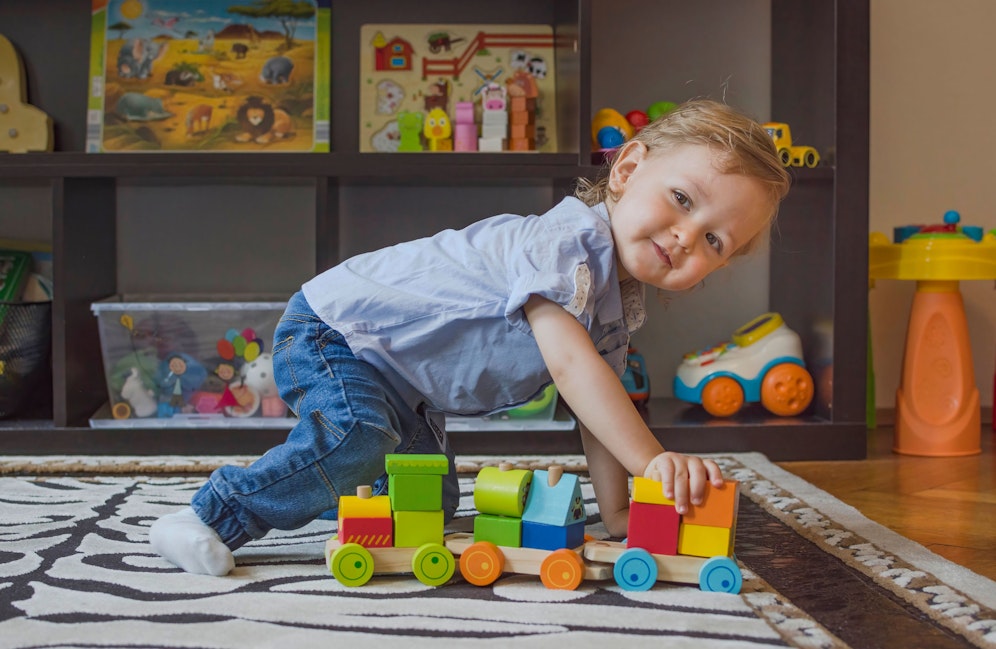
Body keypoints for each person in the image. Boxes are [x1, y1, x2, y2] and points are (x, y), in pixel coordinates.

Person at [150, 99, 791, 576]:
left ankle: (335, 500)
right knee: (358, 437)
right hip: (339, 334)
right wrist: (653, 461)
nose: (686, 234)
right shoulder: (565, 243)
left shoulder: (616, 306)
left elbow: (601, 413)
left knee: (432, 500)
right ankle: (211, 516)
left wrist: (621, 513)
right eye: (681, 198)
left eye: (714, 240)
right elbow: (572, 370)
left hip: (401, 383)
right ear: (626, 168)